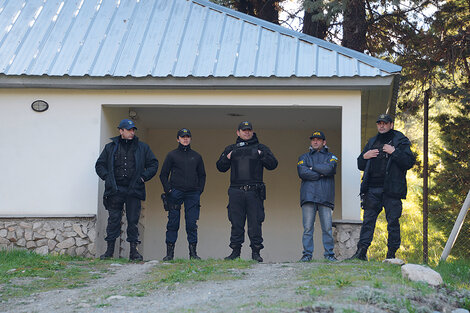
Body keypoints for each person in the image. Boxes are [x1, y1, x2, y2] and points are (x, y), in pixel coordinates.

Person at [349, 114, 415, 261]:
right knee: (368, 221)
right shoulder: (372, 141)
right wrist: (364, 157)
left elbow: (409, 162)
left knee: (392, 222)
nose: (382, 126)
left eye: (385, 123)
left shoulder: (400, 140)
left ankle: (391, 255)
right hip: (372, 189)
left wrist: (394, 152)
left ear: (391, 124)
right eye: (379, 123)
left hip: (392, 190)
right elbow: (360, 164)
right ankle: (361, 253)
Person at [95, 119, 158, 261]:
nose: (132, 132)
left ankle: (133, 253)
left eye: (133, 130)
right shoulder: (110, 148)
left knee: (133, 221)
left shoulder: (143, 147)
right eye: (129, 130)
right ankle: (109, 252)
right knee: (113, 220)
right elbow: (100, 165)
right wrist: (107, 177)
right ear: (121, 131)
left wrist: (143, 177)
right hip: (115, 190)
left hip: (134, 190)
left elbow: (153, 164)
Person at [216, 121, 278, 262]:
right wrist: (228, 157)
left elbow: (273, 164)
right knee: (236, 222)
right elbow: (220, 166)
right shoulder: (231, 149)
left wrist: (262, 155)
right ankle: (235, 252)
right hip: (236, 191)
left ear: (252, 131)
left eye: (249, 130)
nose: (247, 132)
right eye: (244, 130)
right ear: (238, 132)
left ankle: (256, 253)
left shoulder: (261, 147)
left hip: (254, 191)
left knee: (255, 223)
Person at [159, 128, 206, 260]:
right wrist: (168, 190)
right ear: (178, 139)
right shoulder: (172, 155)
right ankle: (169, 254)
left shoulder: (197, 156)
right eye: (182, 136)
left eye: (187, 136)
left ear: (190, 138)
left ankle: (193, 254)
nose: (185, 139)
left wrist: (199, 190)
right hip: (175, 192)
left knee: (191, 224)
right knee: (173, 223)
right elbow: (163, 175)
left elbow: (202, 175)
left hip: (192, 194)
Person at [297, 131, 338, 262]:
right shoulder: (303, 157)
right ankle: (307, 255)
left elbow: (329, 169)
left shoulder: (332, 156)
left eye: (318, 140)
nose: (315, 142)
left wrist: (312, 167)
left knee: (327, 228)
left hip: (325, 197)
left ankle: (329, 255)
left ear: (324, 142)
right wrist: (320, 172)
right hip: (308, 197)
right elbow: (302, 173)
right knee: (308, 228)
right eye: (313, 140)